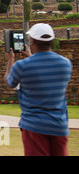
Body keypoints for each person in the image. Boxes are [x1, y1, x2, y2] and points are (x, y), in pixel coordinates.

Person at [5, 23, 72, 156]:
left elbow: (9, 82)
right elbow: (45, 75)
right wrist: (31, 57)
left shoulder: (22, 65)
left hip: (34, 126)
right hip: (59, 126)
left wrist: (10, 60)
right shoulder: (65, 64)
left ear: (32, 41)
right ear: (51, 41)